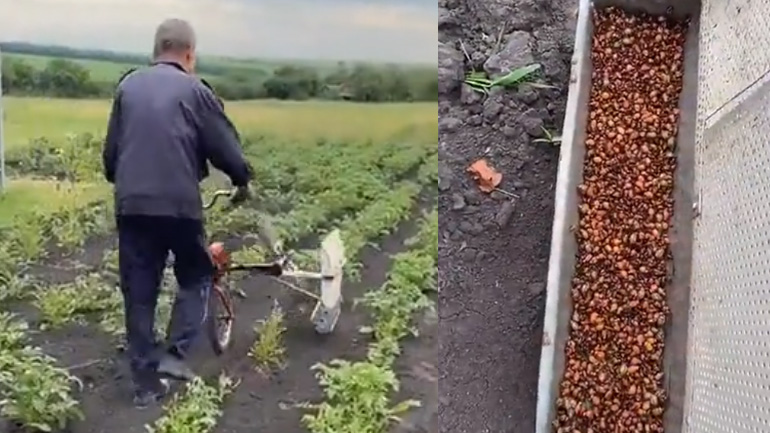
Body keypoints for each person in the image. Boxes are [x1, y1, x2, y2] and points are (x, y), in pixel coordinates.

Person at [102, 18, 253, 408]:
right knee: (196, 275)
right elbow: (226, 147)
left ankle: (145, 387)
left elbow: (110, 159)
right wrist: (241, 180)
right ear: (189, 54)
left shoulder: (127, 86)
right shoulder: (195, 89)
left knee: (138, 292)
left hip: (131, 206)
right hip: (179, 206)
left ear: (155, 52)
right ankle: (174, 356)